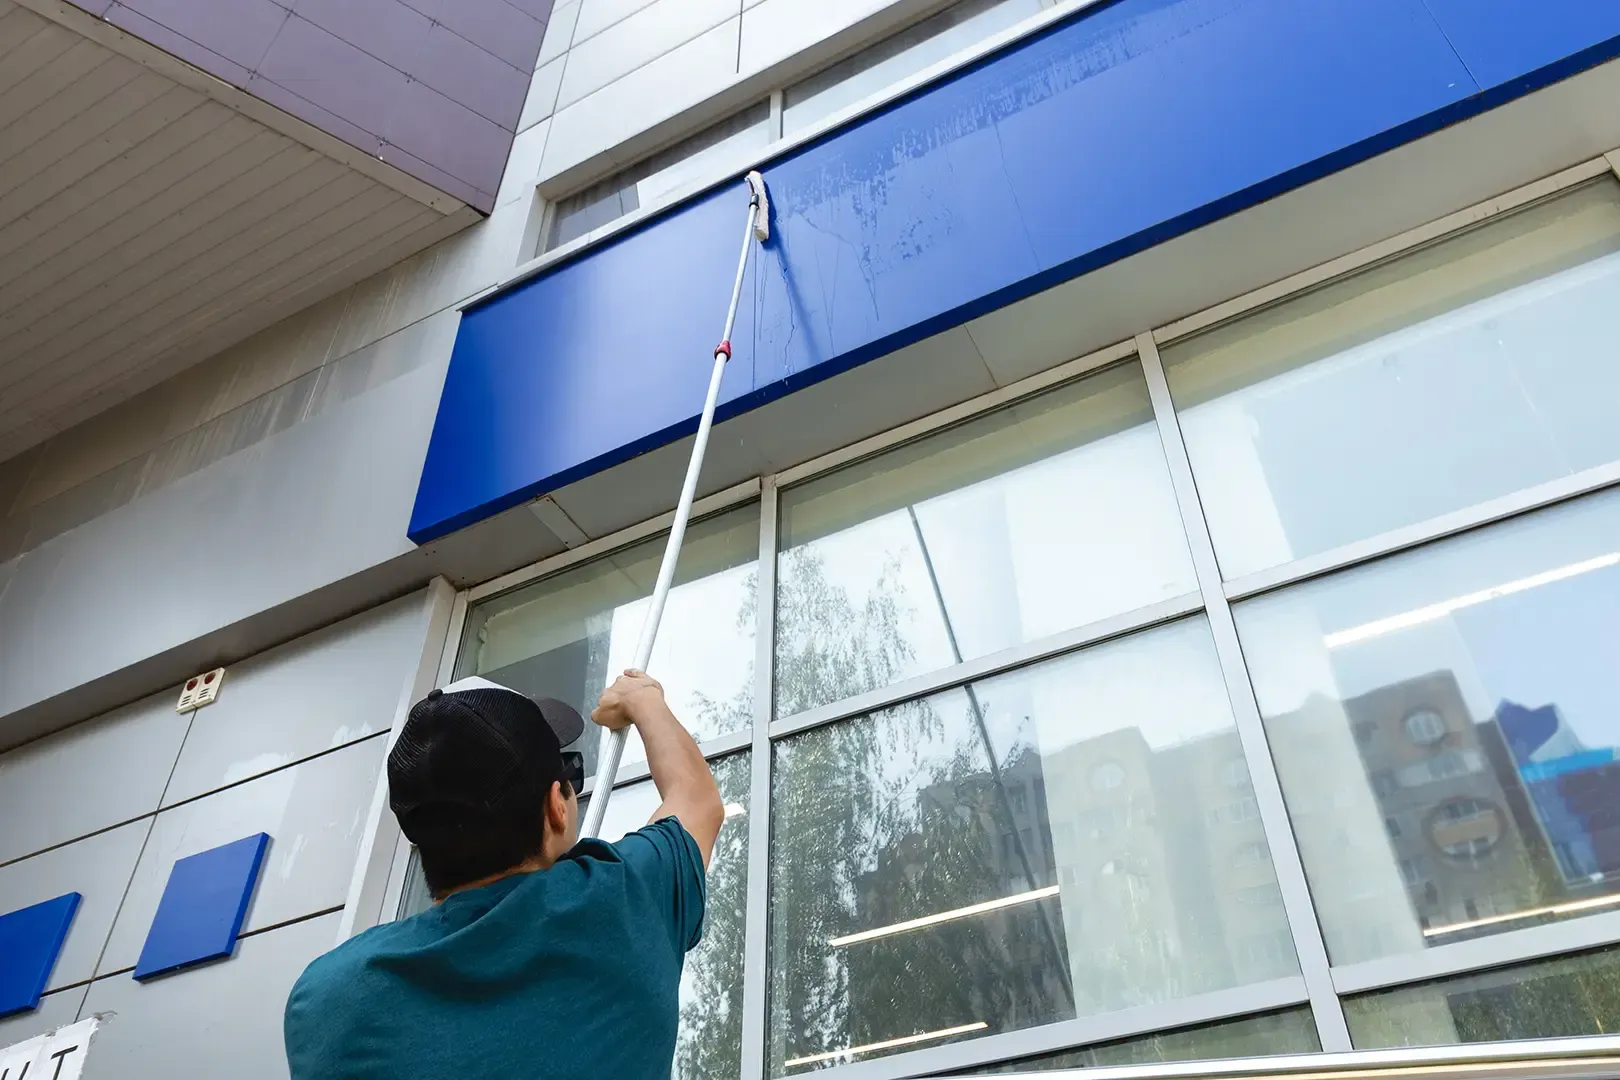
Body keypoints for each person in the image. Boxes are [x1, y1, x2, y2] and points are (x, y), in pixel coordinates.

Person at [283, 669, 724, 1079]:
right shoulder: (625, 904)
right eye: (570, 776)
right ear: (556, 807)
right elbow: (696, 801)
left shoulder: (326, 1000)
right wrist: (643, 698)